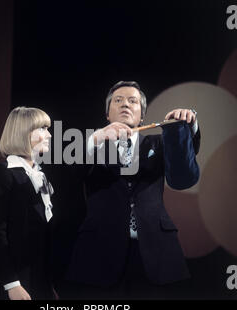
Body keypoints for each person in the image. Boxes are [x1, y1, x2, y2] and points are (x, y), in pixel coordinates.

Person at [66, 81, 200, 299]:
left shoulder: (160, 143)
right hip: (100, 254)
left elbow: (185, 173)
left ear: (142, 114)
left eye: (132, 101)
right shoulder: (91, 146)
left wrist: (188, 126)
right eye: (118, 100)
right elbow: (70, 172)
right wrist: (94, 140)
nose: (125, 104)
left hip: (156, 254)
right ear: (107, 114)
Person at [0, 106, 56, 300]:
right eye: (42, 129)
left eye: (48, 128)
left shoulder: (38, 174)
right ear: (22, 133)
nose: (49, 135)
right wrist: (12, 284)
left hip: (37, 280)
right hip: (10, 282)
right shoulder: (2, 174)